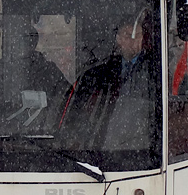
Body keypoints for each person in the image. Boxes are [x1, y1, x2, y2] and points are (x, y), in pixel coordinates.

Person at [57, 9, 157, 151]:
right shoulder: (98, 73)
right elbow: (75, 112)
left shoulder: (154, 70)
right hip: (103, 144)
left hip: (140, 145)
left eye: (138, 36)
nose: (134, 41)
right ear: (118, 40)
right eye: (128, 36)